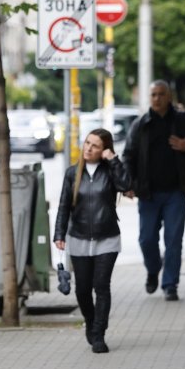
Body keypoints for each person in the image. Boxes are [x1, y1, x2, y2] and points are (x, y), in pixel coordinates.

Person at [122, 80, 185, 302]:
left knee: (173, 240)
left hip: (175, 192)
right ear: (148, 98)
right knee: (146, 239)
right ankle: (153, 269)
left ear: (168, 97)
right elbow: (128, 155)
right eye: (153, 95)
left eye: (161, 94)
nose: (157, 98)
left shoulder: (183, 122)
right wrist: (127, 183)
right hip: (148, 193)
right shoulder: (140, 125)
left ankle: (170, 284)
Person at [54, 128, 130, 354]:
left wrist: (114, 160)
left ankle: (99, 334)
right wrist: (59, 234)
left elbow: (126, 185)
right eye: (87, 143)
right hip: (78, 238)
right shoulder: (72, 173)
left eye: (95, 145)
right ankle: (90, 320)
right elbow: (64, 205)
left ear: (104, 149)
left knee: (101, 286)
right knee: (83, 290)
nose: (88, 148)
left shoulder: (110, 171)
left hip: (107, 238)